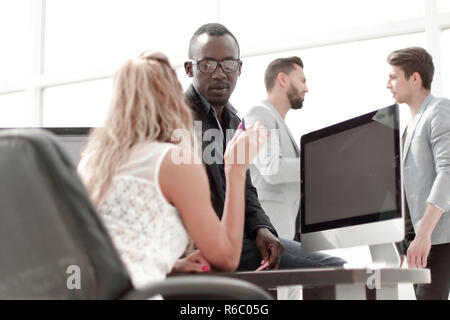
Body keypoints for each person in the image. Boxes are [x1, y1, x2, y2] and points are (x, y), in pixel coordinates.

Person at [77, 51, 267, 290]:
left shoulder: (92, 164)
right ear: (172, 101)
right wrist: (236, 169)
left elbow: (107, 250)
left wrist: (168, 264)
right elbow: (227, 259)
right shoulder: (173, 161)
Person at [182, 23, 346, 274]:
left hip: (235, 239)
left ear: (239, 68)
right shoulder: (176, 119)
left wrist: (262, 229)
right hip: (202, 246)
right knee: (338, 271)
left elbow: (246, 189)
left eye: (228, 64)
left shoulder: (235, 123)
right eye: (207, 65)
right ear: (189, 68)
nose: (219, 74)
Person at [387, 46, 450, 300]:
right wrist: (402, 240)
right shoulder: (409, 126)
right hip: (417, 241)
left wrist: (424, 234)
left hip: (438, 236)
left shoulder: (439, 110)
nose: (387, 83)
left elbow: (447, 173)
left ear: (415, 78)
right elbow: (406, 187)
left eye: (393, 76)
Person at [245, 56, 308, 240]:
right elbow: (272, 168)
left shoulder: (276, 120)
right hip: (271, 232)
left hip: (287, 231)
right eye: (302, 80)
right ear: (283, 79)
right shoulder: (260, 113)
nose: (306, 88)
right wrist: (316, 163)